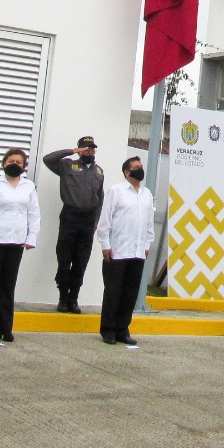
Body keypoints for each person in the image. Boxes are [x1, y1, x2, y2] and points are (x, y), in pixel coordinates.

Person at [0, 148, 41, 343]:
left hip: (16, 241)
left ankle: (5, 328)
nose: (14, 164)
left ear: (23, 166)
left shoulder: (28, 186)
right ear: (4, 163)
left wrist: (31, 238)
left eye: (18, 162)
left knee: (8, 286)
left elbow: (34, 214)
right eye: (11, 161)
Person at [42, 136, 104, 313]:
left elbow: (100, 198)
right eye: (86, 148)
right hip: (70, 216)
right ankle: (63, 297)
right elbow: (48, 159)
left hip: (88, 220)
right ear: (80, 149)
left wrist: (96, 220)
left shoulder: (99, 171)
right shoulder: (68, 165)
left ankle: (74, 298)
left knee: (81, 261)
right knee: (64, 259)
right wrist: (72, 151)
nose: (90, 151)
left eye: (92, 148)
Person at [96, 157, 154, 346]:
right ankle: (108, 330)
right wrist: (105, 245)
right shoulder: (116, 191)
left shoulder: (147, 194)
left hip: (137, 251)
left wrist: (146, 246)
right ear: (127, 172)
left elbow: (149, 223)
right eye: (136, 168)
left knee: (130, 293)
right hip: (118, 250)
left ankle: (123, 329)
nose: (140, 170)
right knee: (113, 292)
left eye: (141, 167)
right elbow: (105, 221)